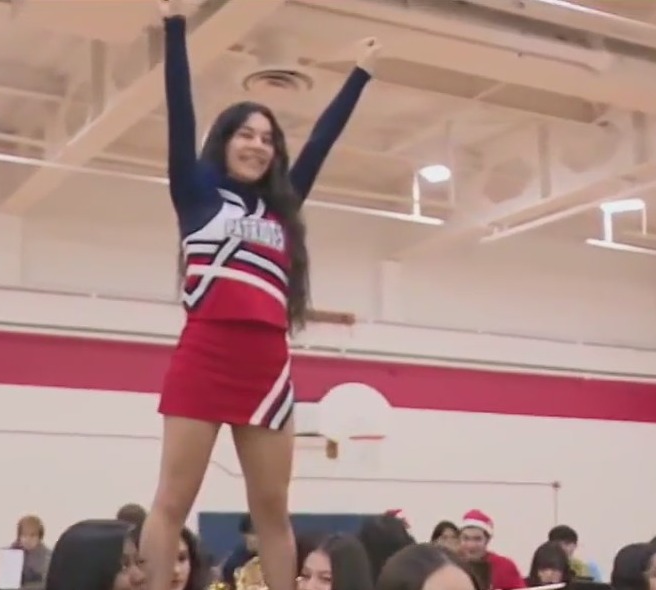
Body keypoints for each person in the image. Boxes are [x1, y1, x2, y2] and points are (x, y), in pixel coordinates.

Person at [140, 4, 379, 590]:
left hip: (267, 366)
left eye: (268, 139)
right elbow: (180, 108)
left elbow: (322, 138)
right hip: (205, 350)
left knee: (272, 508)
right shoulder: (195, 193)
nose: (257, 145)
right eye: (245, 134)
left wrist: (360, 74)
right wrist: (174, 29)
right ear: (223, 141)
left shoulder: (284, 205)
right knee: (172, 498)